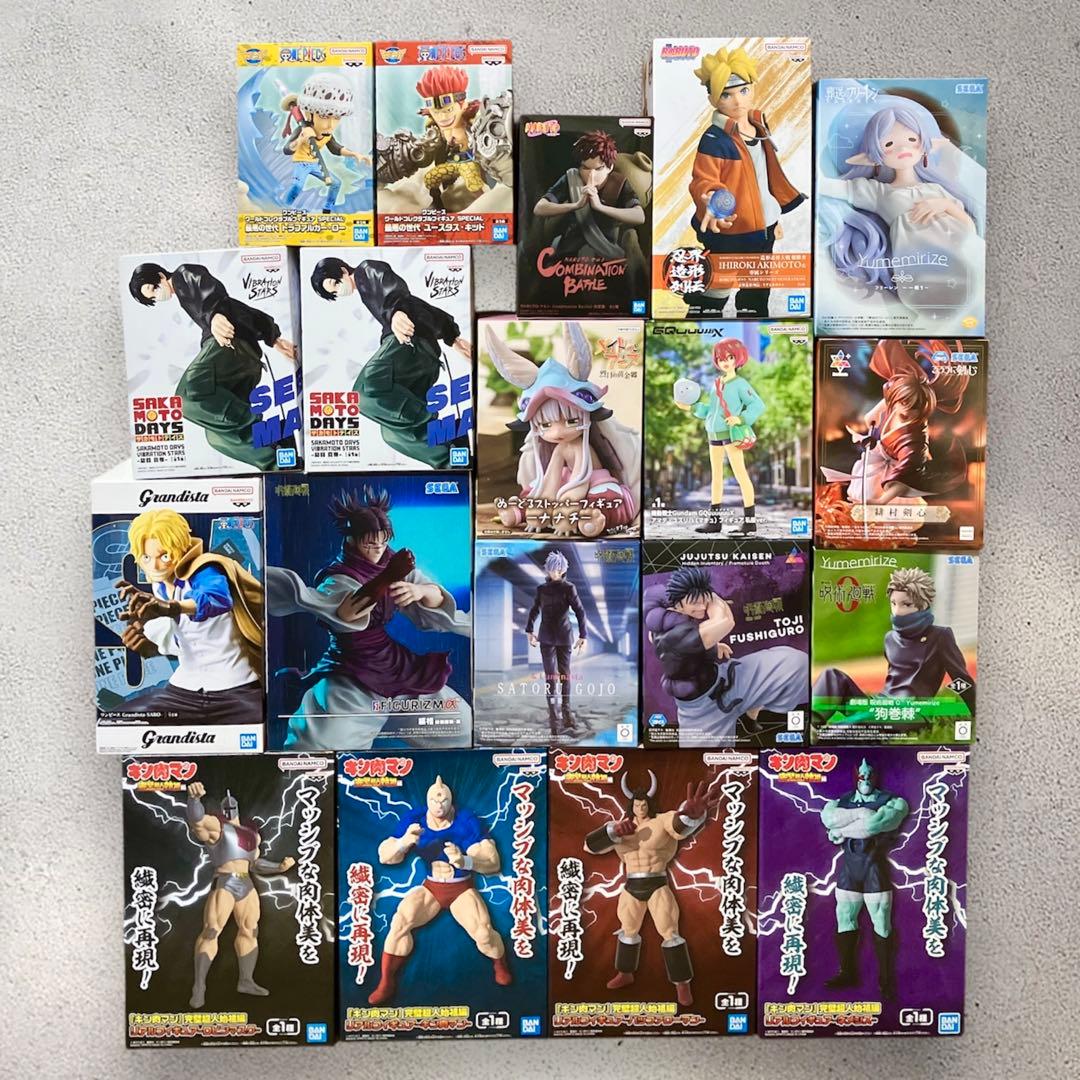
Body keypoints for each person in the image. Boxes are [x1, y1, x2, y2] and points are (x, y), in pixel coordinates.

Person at [266, 486, 470, 749]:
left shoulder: (391, 560)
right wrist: (387, 577)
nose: (378, 550)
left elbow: (434, 595)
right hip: (352, 669)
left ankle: (395, 720)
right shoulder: (339, 576)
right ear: (352, 540)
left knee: (460, 725)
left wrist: (419, 591)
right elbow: (347, 613)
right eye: (370, 544)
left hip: (392, 662)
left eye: (383, 542)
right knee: (320, 743)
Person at [128, 261, 297, 470]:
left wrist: (214, 314)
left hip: (228, 346)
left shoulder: (182, 275)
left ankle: (258, 427)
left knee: (188, 395)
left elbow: (206, 287)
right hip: (246, 360)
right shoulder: (196, 299)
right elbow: (240, 309)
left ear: (160, 276)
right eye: (152, 297)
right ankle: (281, 457)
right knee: (218, 436)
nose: (157, 295)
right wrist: (274, 338)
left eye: (153, 288)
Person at [310, 257, 472, 468]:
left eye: (335, 284)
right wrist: (452, 336)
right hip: (423, 359)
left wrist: (396, 311)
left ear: (342, 270)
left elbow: (392, 289)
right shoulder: (370, 293)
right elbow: (419, 306)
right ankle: (453, 456)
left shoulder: (365, 271)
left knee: (365, 391)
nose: (339, 291)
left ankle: (430, 420)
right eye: (333, 293)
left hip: (408, 345)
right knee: (393, 433)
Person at [485, 322, 640, 537]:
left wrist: (566, 503)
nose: (558, 432)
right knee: (534, 489)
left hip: (592, 480)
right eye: (546, 425)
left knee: (608, 498)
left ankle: (592, 519)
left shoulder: (581, 445)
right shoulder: (557, 449)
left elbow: (581, 479)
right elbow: (550, 477)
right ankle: (518, 513)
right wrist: (543, 501)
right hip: (566, 481)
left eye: (571, 420)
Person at [366, 775, 511, 1005]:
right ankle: (386, 982)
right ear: (428, 802)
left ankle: (500, 964)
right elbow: (385, 856)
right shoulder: (415, 819)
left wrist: (465, 861)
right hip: (431, 887)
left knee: (484, 933)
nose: (439, 806)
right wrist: (403, 842)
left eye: (443, 801)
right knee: (400, 922)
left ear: (451, 802)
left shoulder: (466, 821)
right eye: (434, 801)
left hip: (461, 888)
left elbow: (493, 863)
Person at [685, 46, 806, 316]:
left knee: (757, 290)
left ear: (753, 89)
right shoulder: (714, 138)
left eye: (743, 90)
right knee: (717, 286)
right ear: (712, 99)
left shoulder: (759, 125)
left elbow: (764, 177)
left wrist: (773, 216)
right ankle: (699, 321)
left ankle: (754, 326)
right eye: (726, 94)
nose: (737, 101)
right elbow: (703, 179)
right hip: (730, 227)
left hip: (763, 227)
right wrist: (712, 201)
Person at [583, 771, 721, 1007]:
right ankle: (625, 973)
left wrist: (690, 816)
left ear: (650, 803)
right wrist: (613, 833)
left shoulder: (663, 820)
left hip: (657, 883)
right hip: (631, 885)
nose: (641, 807)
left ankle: (682, 984)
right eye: (637, 804)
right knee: (627, 930)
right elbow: (589, 846)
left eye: (644, 803)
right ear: (631, 806)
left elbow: (678, 827)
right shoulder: (620, 827)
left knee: (670, 933)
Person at [115, 509, 263, 725]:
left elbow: (216, 600)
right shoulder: (160, 587)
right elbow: (189, 640)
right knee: (121, 721)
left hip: (235, 688)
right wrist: (150, 646)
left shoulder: (205, 570)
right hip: (184, 690)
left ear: (180, 549)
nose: (154, 566)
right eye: (146, 557)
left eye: (164, 556)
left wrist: (170, 608)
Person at [644, 566, 807, 743]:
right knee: (704, 756)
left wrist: (710, 645)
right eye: (695, 602)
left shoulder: (665, 618)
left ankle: (752, 713)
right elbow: (725, 621)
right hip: (703, 710)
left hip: (726, 679)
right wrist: (711, 596)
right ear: (677, 604)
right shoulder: (676, 635)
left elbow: (683, 646)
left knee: (794, 663)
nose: (702, 607)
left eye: (703, 600)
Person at [185, 782, 295, 1008]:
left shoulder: (253, 835)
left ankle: (246, 980)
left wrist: (279, 867)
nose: (229, 807)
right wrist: (194, 800)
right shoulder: (217, 826)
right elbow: (197, 821)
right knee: (211, 931)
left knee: (250, 930)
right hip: (225, 881)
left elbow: (254, 863)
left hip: (246, 882)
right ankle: (199, 986)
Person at [813, 566, 974, 713]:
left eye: (906, 604)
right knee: (831, 676)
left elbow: (960, 677)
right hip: (881, 705)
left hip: (912, 711)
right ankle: (809, 724)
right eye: (893, 603)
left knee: (842, 729)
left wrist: (978, 712)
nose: (897, 611)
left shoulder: (940, 636)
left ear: (923, 605)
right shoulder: (890, 638)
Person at [819, 760, 909, 997]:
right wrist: (860, 813)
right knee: (844, 918)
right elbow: (829, 820)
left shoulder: (894, 802)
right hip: (849, 869)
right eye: (861, 774)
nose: (866, 778)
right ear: (855, 776)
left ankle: (886, 980)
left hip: (874, 868)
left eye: (869, 774)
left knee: (881, 922)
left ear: (875, 776)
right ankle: (847, 972)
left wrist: (840, 830)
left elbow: (872, 825)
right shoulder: (839, 802)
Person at [675, 337, 765, 535]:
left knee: (740, 474)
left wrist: (740, 418)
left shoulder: (741, 384)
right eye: (721, 358)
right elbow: (710, 410)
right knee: (716, 476)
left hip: (731, 434)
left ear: (737, 358)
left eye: (729, 357)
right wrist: (691, 407)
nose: (725, 362)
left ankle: (750, 522)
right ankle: (714, 521)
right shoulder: (716, 383)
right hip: (713, 434)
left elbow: (757, 405)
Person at [279, 73, 369, 212]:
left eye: (337, 118)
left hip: (315, 164)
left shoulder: (328, 134)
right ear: (309, 114)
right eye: (324, 116)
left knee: (336, 184)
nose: (330, 125)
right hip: (301, 163)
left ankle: (327, 209)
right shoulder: (302, 130)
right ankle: (282, 209)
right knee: (297, 186)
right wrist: (301, 139)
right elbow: (287, 150)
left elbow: (335, 149)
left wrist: (355, 154)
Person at [525, 549, 587, 737]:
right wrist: (529, 630)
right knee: (550, 678)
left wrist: (583, 635)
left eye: (558, 569)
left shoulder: (569, 588)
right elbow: (534, 610)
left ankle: (567, 713)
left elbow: (580, 611)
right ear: (548, 569)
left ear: (563, 570)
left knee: (565, 675)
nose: (554, 573)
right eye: (551, 569)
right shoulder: (541, 589)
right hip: (546, 637)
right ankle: (554, 718)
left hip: (564, 636)